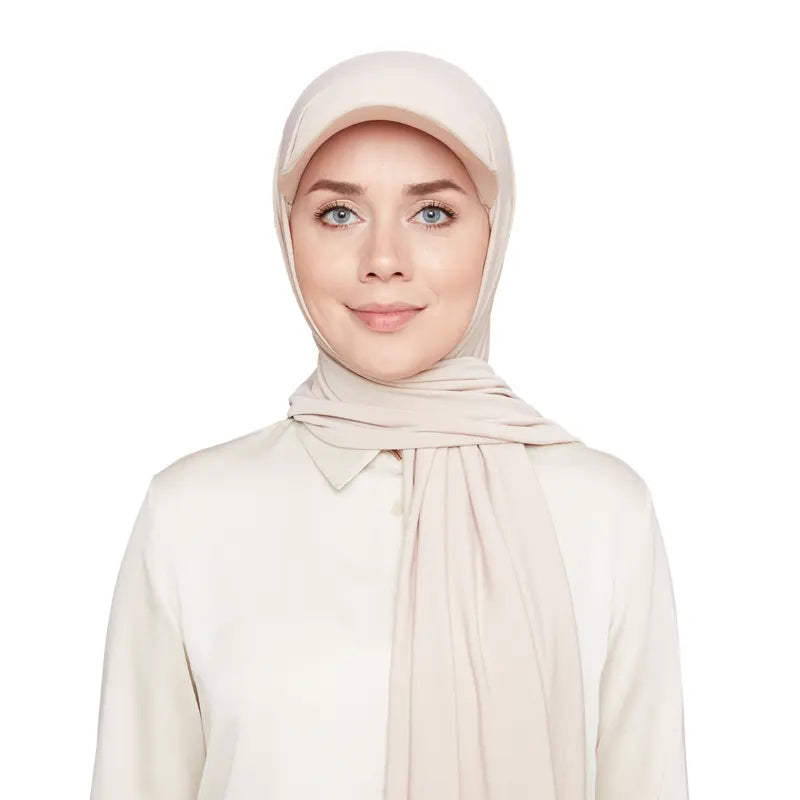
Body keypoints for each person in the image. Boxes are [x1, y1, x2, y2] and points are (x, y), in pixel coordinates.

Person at [89, 50, 689, 800]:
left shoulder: (603, 512)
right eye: (338, 214)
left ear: (493, 233)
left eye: (432, 213)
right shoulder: (191, 515)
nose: (382, 260)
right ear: (289, 236)